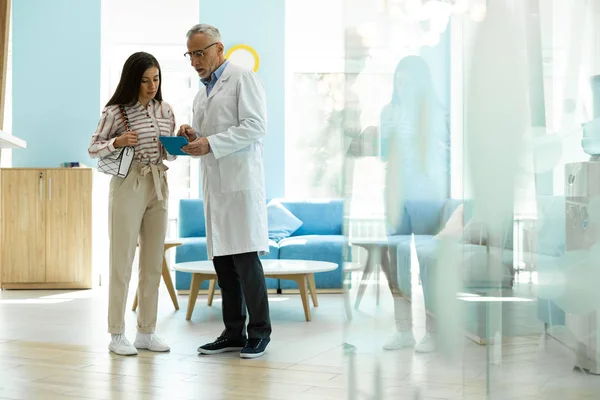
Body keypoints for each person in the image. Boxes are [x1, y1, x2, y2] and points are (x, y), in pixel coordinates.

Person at [178, 23, 272, 359]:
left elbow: (256, 125)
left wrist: (210, 143)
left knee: (246, 262)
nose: (194, 60)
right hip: (216, 188)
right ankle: (233, 332)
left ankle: (259, 332)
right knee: (223, 266)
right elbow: (209, 136)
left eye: (200, 52)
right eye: (190, 54)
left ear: (219, 49)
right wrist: (193, 136)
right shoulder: (201, 92)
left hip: (240, 184)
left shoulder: (243, 78)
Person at [88, 52, 176, 356]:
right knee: (121, 261)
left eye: (156, 79)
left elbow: (171, 155)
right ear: (132, 80)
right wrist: (117, 142)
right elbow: (93, 147)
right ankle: (116, 334)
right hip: (128, 184)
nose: (152, 85)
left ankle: (146, 332)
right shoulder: (116, 111)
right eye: (145, 80)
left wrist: (178, 142)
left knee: (153, 263)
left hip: (159, 182)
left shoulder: (166, 110)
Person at [379, 55, 449, 353]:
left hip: (426, 197)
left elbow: (441, 157)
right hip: (396, 195)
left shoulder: (435, 113)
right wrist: (389, 136)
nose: (402, 87)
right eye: (399, 81)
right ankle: (403, 330)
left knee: (427, 264)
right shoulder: (388, 111)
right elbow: (383, 154)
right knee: (397, 266)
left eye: (409, 81)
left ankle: (434, 332)